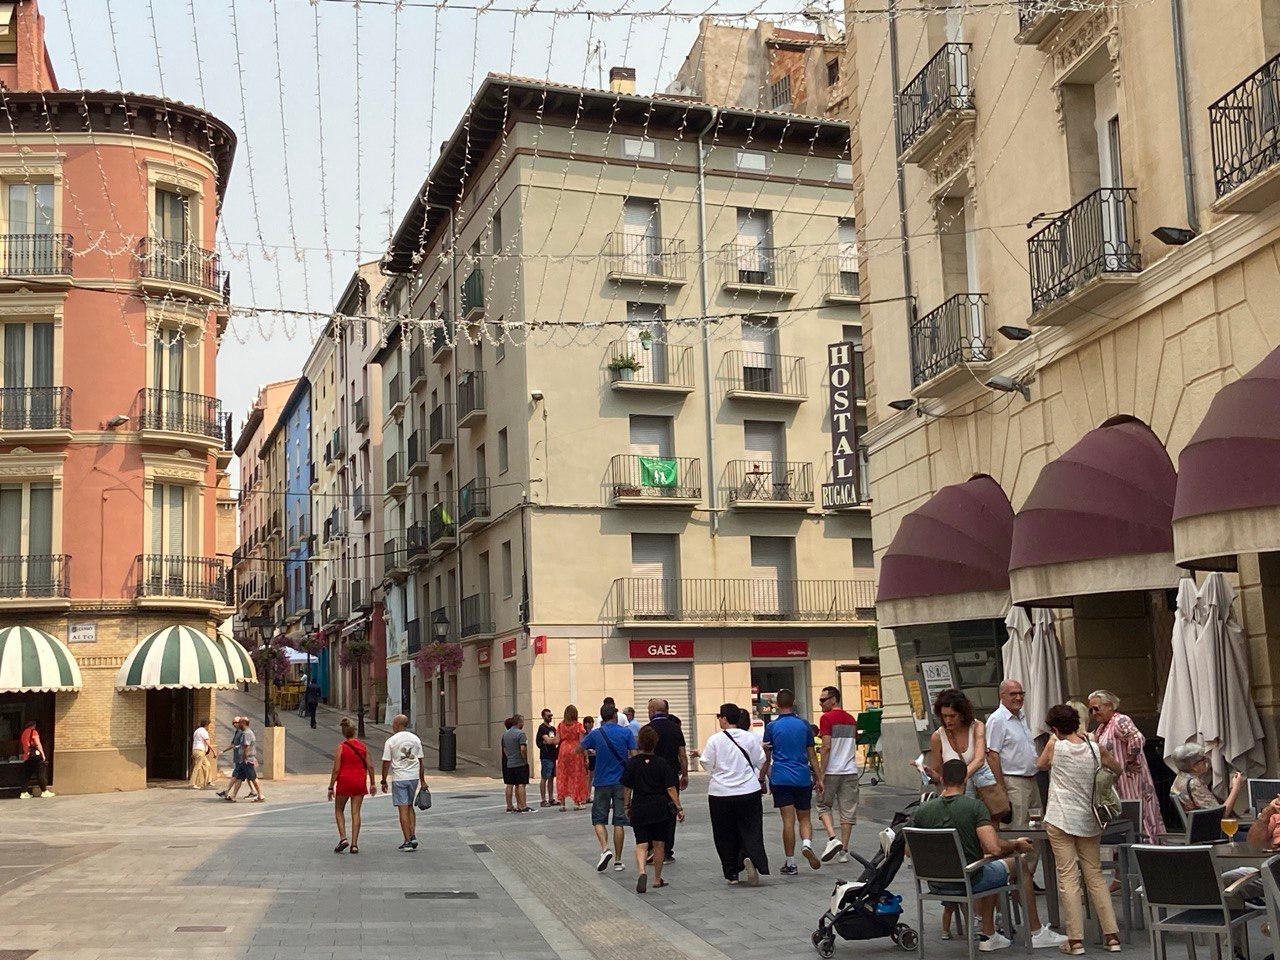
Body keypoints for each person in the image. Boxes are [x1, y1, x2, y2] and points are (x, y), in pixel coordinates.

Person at [912, 758, 1064, 952]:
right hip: (969, 879)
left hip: (934, 883)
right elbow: (994, 848)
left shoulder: (923, 810)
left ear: (942, 778)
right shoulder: (974, 807)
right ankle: (1035, 932)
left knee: (991, 868)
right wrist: (1016, 845)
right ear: (965, 780)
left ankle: (990, 934)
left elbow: (910, 851)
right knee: (1017, 865)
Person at [1037, 703, 1122, 954]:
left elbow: (1040, 765)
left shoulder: (1055, 745)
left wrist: (1055, 737)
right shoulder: (1094, 748)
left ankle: (1075, 941)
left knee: (1068, 878)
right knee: (1095, 876)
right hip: (1089, 819)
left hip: (1060, 817)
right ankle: (1112, 936)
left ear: (1054, 728)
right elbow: (1116, 768)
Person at [690, 702, 770, 885]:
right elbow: (761, 761)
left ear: (724, 719)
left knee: (724, 833)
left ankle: (732, 872)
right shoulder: (750, 738)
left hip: (721, 793)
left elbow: (707, 764)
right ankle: (748, 856)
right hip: (749, 790)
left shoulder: (715, 740)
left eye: (719, 717)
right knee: (751, 829)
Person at [1088, 690, 1165, 841]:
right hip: (1117, 782)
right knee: (1125, 813)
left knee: (1138, 813)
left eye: (1096, 708)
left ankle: (1145, 846)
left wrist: (1130, 760)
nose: (1093, 713)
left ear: (1109, 706)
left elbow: (1137, 738)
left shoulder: (1120, 720)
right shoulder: (1102, 727)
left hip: (1130, 780)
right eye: (1091, 710)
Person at [986, 681, 1042, 880]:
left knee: (1036, 830)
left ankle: (1027, 876)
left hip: (1031, 780)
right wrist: (1001, 788)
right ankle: (1013, 877)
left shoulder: (1021, 717)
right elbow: (993, 755)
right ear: (1002, 696)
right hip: (1013, 782)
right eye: (1013, 694)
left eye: (1021, 693)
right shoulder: (997, 719)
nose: (1018, 698)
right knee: (1017, 830)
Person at [761, 688, 821, 874]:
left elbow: (767, 756)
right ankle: (807, 844)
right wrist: (819, 778)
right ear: (793, 702)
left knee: (788, 821)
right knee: (805, 817)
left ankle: (791, 862)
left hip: (781, 777)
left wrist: (762, 776)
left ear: (777, 705)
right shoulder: (804, 725)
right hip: (802, 777)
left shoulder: (771, 727)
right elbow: (812, 756)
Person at [622, 724, 683, 893]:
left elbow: (627, 788)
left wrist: (627, 806)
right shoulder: (662, 763)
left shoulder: (633, 763)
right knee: (658, 844)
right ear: (655, 743)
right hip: (659, 808)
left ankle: (642, 871)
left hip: (639, 806)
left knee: (641, 843)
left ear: (639, 743)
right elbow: (670, 788)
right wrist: (679, 807)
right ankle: (657, 878)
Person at [578, 703, 637, 872]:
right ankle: (618, 861)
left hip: (601, 781)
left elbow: (580, 748)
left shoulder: (596, 734)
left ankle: (605, 849)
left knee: (598, 819)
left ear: (602, 717)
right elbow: (634, 756)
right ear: (615, 716)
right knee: (619, 821)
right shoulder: (626, 732)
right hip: (621, 782)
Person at [816, 685, 860, 863]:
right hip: (850, 770)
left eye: (823, 700)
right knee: (847, 811)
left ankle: (833, 839)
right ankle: (845, 851)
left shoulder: (826, 718)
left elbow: (826, 747)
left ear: (833, 700)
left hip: (832, 770)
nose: (820, 703)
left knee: (823, 805)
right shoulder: (851, 719)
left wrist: (821, 774)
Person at [928, 688, 996, 798]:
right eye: (944, 716)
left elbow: (979, 760)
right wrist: (928, 773)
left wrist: (960, 778)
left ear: (962, 714)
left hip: (984, 789)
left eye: (952, 716)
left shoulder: (976, 727)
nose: (948, 720)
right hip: (958, 796)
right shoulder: (937, 737)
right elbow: (938, 773)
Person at [647, 698, 688, 862]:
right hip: (671, 775)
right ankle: (667, 850)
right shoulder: (675, 729)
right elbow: (682, 755)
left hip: (652, 776)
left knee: (652, 810)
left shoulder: (648, 729)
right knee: (671, 811)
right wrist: (684, 774)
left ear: (652, 710)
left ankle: (653, 847)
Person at [328, 717, 376, 853]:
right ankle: (354, 844)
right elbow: (371, 767)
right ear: (354, 732)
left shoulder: (341, 747)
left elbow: (336, 769)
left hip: (344, 781)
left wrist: (331, 787)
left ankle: (343, 838)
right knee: (356, 812)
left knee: (339, 810)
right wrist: (372, 783)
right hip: (359, 782)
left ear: (343, 732)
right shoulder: (363, 747)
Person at [381, 713, 427, 851]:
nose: (392, 725)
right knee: (410, 806)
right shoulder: (415, 739)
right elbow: (420, 761)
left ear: (399, 724)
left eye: (394, 723)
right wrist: (423, 780)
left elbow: (386, 762)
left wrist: (383, 780)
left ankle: (407, 841)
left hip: (400, 778)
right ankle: (413, 836)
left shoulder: (391, 741)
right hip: (413, 778)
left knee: (402, 809)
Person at [1169, 743, 1246, 813]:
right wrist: (1236, 788)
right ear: (1194, 766)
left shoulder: (1180, 777)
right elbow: (1221, 814)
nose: (1207, 760)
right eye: (1203, 759)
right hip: (1206, 825)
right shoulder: (1194, 783)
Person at [556, 705, 589, 810]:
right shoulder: (578, 726)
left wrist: (547, 740)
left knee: (562, 775)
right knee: (577, 775)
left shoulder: (560, 725)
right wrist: (586, 756)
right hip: (575, 750)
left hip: (563, 750)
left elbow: (557, 740)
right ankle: (577, 802)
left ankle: (562, 803)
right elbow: (582, 742)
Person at [224, 717, 265, 803]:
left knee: (253, 778)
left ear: (243, 723)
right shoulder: (245, 733)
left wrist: (245, 758)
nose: (238, 724)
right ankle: (233, 796)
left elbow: (246, 746)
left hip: (247, 760)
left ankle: (260, 795)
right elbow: (243, 745)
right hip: (243, 760)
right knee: (239, 777)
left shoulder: (247, 733)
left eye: (239, 723)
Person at [501, 713, 533, 813]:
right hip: (519, 763)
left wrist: (510, 757)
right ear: (519, 722)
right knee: (521, 784)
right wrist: (525, 760)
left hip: (510, 763)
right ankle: (523, 806)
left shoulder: (505, 734)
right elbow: (523, 749)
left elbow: (504, 749)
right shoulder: (520, 734)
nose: (523, 723)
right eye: (522, 721)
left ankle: (509, 806)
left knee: (509, 784)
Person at [18, 720, 52, 798]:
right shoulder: (33, 732)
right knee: (41, 773)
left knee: (26, 775)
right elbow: (37, 743)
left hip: (27, 756)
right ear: (34, 725)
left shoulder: (24, 733)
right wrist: (43, 754)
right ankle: (44, 791)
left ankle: (23, 793)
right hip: (35, 756)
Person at [535, 708, 559, 807]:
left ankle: (551, 798)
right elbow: (548, 741)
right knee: (544, 777)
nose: (550, 717)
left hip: (553, 755)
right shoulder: (542, 728)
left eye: (551, 715)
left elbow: (556, 740)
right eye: (548, 716)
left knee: (551, 777)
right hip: (546, 756)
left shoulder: (552, 728)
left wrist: (550, 740)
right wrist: (549, 741)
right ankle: (543, 799)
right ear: (544, 716)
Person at [190, 719, 214, 790]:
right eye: (209, 725)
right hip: (200, 751)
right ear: (206, 725)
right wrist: (214, 752)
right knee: (197, 767)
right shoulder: (203, 731)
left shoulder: (196, 731)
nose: (209, 727)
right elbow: (207, 742)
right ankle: (193, 783)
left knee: (207, 765)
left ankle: (208, 781)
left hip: (197, 750)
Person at [582, 715, 597, 802]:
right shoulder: (584, 734)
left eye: (592, 723)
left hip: (593, 756)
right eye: (590, 723)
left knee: (591, 777)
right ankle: (585, 795)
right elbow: (583, 745)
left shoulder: (593, 733)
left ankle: (588, 795)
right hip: (586, 756)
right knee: (586, 777)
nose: (591, 724)